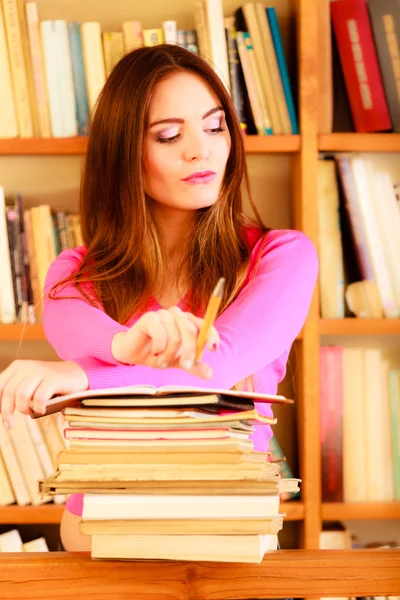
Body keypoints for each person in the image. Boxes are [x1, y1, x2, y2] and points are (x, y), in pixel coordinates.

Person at [0, 44, 318, 551]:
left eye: (215, 127)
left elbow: (216, 372)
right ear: (125, 153)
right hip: (96, 548)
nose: (201, 149)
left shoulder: (283, 257)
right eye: (170, 135)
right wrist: (125, 346)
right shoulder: (74, 274)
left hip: (228, 545)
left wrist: (83, 376)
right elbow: (78, 335)